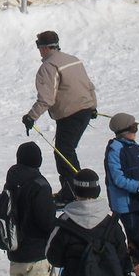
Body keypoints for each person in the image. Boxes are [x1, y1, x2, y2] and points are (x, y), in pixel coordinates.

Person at [22, 30, 98, 204]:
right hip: (84, 110)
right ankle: (74, 191)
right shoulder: (73, 60)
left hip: (70, 114)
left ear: (44, 48)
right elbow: (89, 86)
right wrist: (92, 106)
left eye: (39, 47)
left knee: (64, 153)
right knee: (66, 151)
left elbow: (47, 98)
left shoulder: (48, 67)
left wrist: (31, 117)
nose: (39, 51)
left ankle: (73, 194)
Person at [46, 168, 132, 276]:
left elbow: (53, 257)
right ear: (97, 190)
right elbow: (123, 258)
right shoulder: (111, 223)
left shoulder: (65, 222)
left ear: (75, 191)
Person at [0, 142, 57, 276]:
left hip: (15, 253)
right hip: (37, 256)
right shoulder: (39, 185)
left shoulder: (11, 182)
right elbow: (46, 221)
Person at [104, 112, 139, 240]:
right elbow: (117, 179)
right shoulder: (115, 149)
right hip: (125, 205)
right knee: (135, 237)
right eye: (133, 128)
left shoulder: (134, 146)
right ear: (124, 130)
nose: (135, 132)